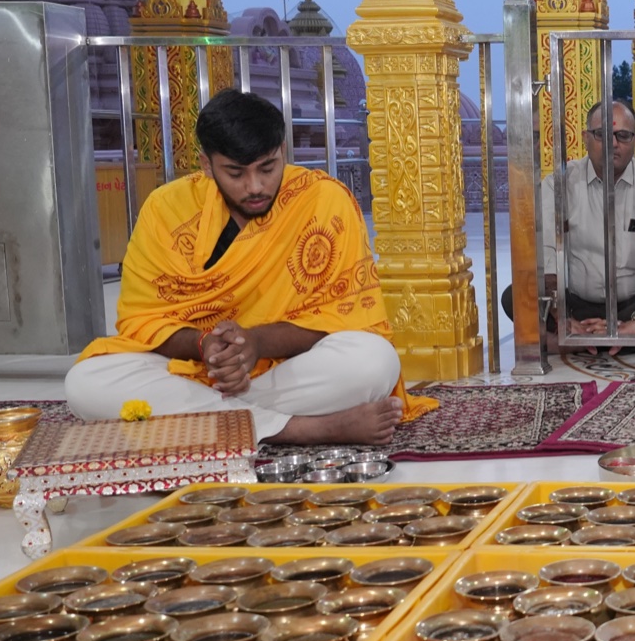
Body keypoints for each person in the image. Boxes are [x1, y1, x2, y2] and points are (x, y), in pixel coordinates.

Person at [66, 89, 431, 444]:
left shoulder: (322, 200)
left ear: (282, 153)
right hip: (197, 369)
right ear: (207, 165)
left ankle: (201, 422)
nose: (255, 186)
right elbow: (142, 321)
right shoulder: (166, 209)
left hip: (283, 370)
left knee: (372, 361)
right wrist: (205, 344)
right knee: (86, 383)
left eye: (267, 168)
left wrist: (254, 343)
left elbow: (346, 316)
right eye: (236, 173)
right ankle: (299, 430)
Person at [538, 99, 635, 348]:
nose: (613, 144)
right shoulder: (558, 184)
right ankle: (605, 337)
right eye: (602, 135)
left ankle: (613, 336)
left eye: (622, 136)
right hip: (576, 303)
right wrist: (563, 318)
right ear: (585, 138)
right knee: (514, 297)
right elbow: (546, 255)